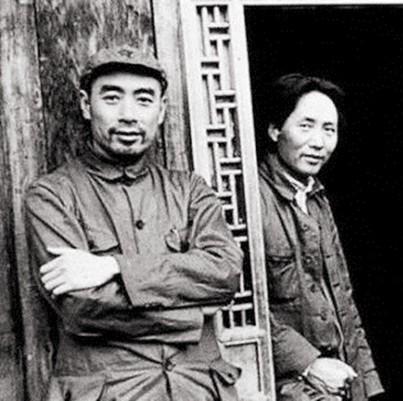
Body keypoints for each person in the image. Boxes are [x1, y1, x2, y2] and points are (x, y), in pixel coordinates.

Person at [25, 45, 244, 401]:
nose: (128, 115)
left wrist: (113, 266)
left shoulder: (190, 190)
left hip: (200, 390)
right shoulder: (52, 195)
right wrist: (195, 316)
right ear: (86, 105)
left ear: (162, 110)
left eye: (144, 100)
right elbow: (81, 307)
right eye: (112, 98)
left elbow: (225, 272)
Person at [259, 73, 383, 401]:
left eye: (329, 130)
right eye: (306, 126)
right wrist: (308, 364)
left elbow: (344, 300)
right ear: (274, 130)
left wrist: (368, 386)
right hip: (282, 381)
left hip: (337, 379)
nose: (319, 142)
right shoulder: (251, 198)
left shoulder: (317, 198)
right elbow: (242, 309)